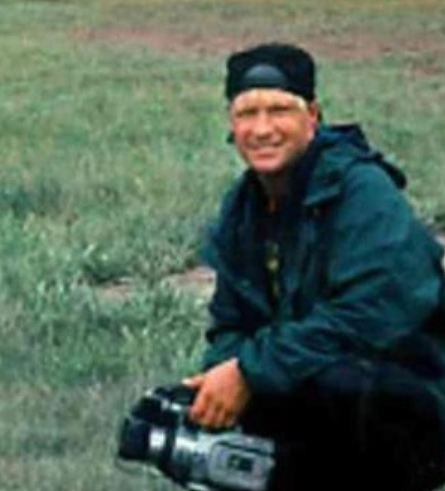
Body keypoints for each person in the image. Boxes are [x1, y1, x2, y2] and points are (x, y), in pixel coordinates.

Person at [182, 42, 445, 491]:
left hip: (406, 396)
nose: (262, 129)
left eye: (280, 110)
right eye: (247, 113)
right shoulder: (244, 206)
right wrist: (221, 376)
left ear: (313, 117)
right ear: (231, 124)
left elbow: (369, 317)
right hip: (309, 382)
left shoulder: (362, 191)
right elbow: (230, 319)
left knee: (334, 384)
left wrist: (249, 372)